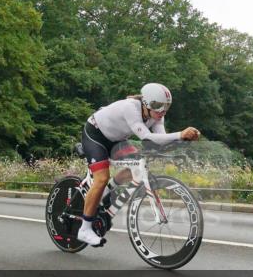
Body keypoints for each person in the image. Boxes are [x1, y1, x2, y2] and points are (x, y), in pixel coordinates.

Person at [77, 83, 200, 246]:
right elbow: (148, 138)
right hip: (95, 135)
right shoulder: (131, 108)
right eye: (158, 106)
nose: (161, 111)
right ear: (146, 103)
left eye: (166, 107)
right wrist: (179, 134)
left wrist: (182, 140)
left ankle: (106, 191)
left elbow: (160, 139)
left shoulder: (156, 115)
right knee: (101, 178)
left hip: (116, 139)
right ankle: (84, 230)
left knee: (136, 167)